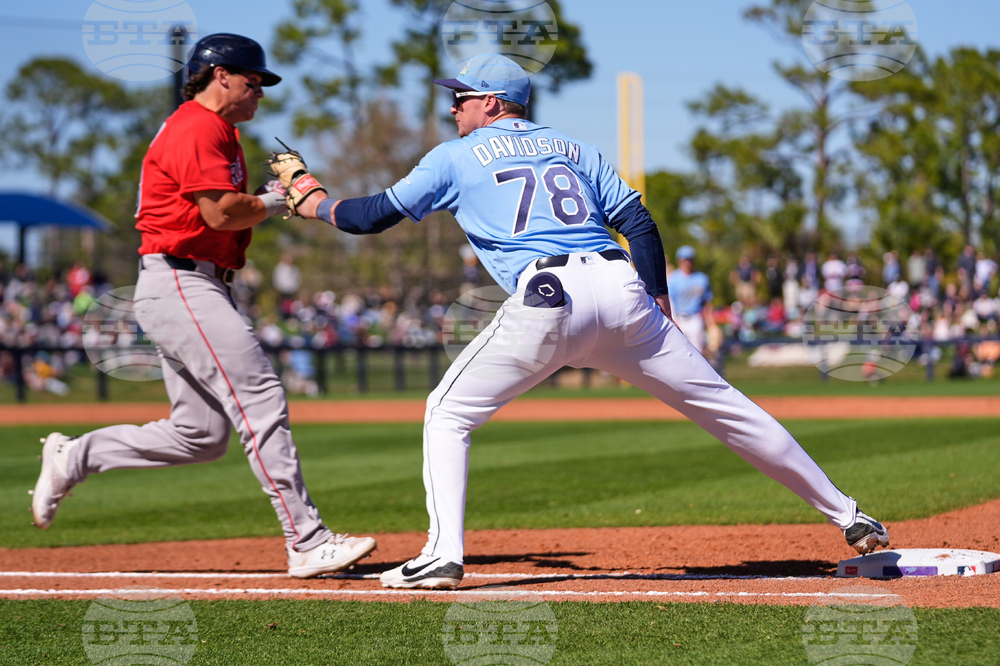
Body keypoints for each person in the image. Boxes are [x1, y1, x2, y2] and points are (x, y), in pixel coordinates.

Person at [293, 54, 888, 589]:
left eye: (462, 97)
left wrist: (313, 199)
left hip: (548, 295)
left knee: (448, 414)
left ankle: (443, 554)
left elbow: (371, 217)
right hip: (620, 286)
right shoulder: (574, 147)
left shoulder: (454, 156)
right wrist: (656, 299)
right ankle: (850, 515)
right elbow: (639, 222)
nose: (453, 107)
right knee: (725, 406)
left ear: (492, 104)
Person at [29, 33, 376, 578]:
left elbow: (224, 211)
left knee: (200, 435)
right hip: (182, 281)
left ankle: (76, 456)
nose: (259, 91)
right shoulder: (198, 125)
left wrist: (266, 199)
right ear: (221, 76)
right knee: (260, 396)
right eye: (252, 80)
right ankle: (307, 540)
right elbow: (221, 214)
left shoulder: (219, 132)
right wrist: (279, 199)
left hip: (189, 284)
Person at [667, 245, 715, 354]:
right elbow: (669, 301)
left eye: (690, 259)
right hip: (678, 318)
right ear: (679, 261)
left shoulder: (701, 278)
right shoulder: (673, 279)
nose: (687, 263)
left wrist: (711, 324)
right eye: (685, 260)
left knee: (697, 352)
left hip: (695, 317)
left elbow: (707, 302)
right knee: (679, 352)